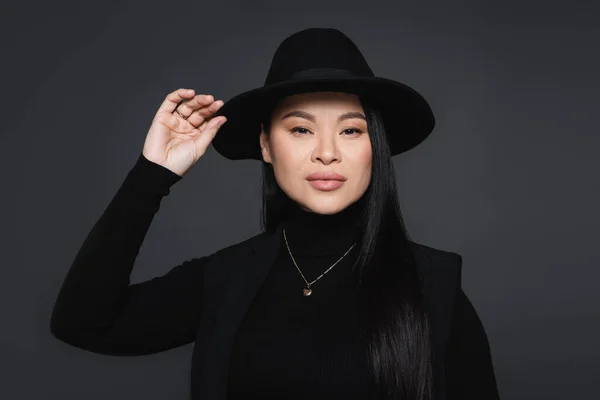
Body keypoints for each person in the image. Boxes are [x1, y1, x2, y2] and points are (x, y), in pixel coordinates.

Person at [50, 28, 500, 400]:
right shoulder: (225, 279)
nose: (327, 153)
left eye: (350, 130)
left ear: (374, 149)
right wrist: (152, 175)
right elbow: (82, 323)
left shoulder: (433, 283)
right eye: (301, 129)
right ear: (266, 145)